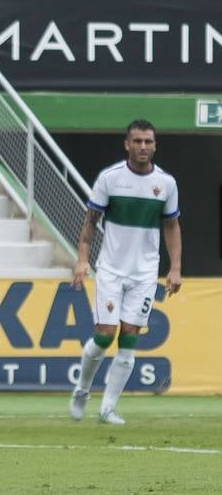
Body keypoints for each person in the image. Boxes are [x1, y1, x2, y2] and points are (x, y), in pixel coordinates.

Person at [69, 120, 180, 426]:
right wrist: (82, 260)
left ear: (155, 146)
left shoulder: (166, 184)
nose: (143, 146)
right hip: (111, 270)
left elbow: (172, 225)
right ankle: (82, 390)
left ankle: (108, 409)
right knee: (105, 335)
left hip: (144, 274)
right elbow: (91, 221)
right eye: (138, 141)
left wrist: (175, 268)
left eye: (148, 142)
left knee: (130, 336)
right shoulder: (111, 178)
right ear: (127, 144)